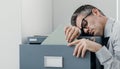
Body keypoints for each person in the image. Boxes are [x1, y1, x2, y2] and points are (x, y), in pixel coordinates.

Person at [64, 4, 120, 69]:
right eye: (82, 30)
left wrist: (99, 49)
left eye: (84, 24)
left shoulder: (118, 31)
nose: (85, 30)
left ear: (96, 12)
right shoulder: (101, 35)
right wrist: (78, 32)